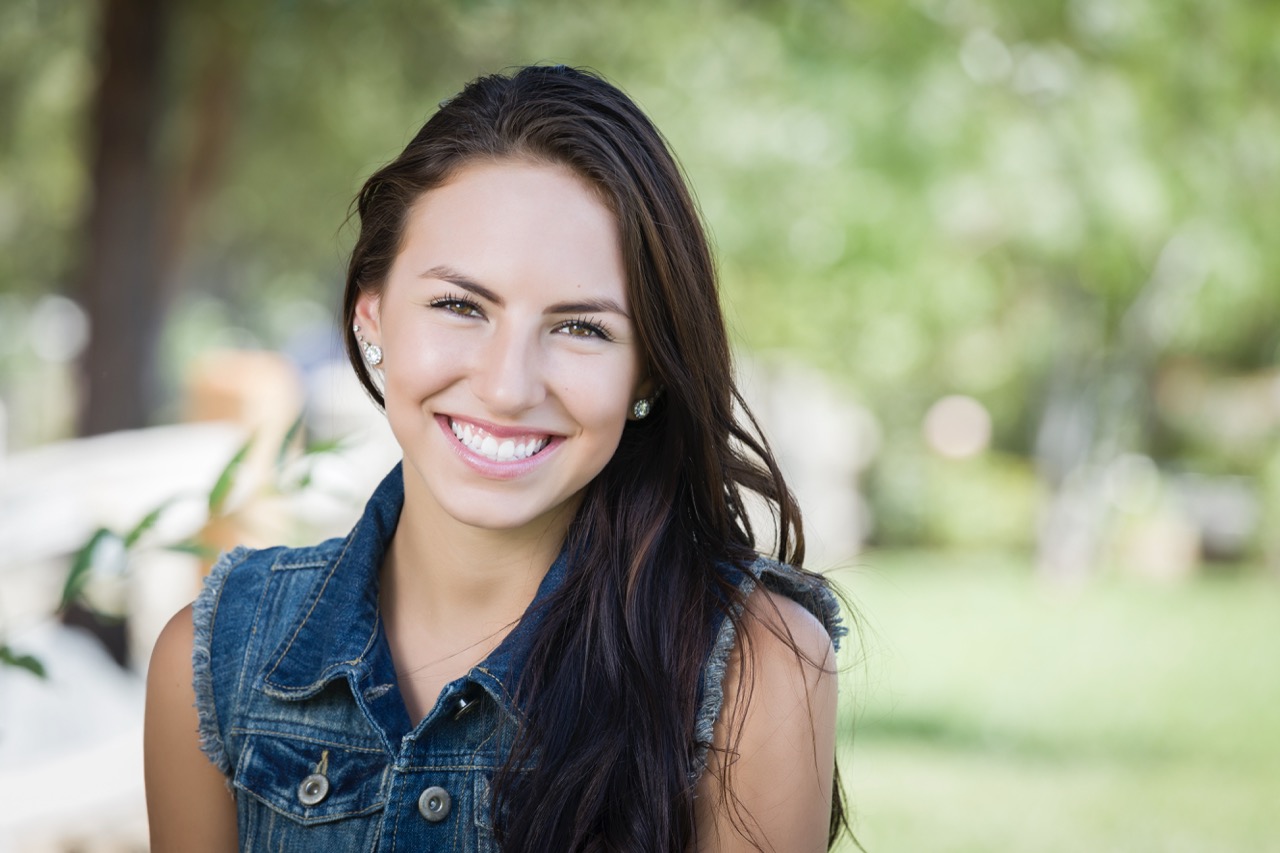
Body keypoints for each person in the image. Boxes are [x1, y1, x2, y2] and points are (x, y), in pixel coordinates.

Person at [144, 64, 849, 852]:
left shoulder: (756, 669)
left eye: (581, 327)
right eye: (459, 305)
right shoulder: (216, 662)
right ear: (371, 316)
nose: (508, 387)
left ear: (647, 367)